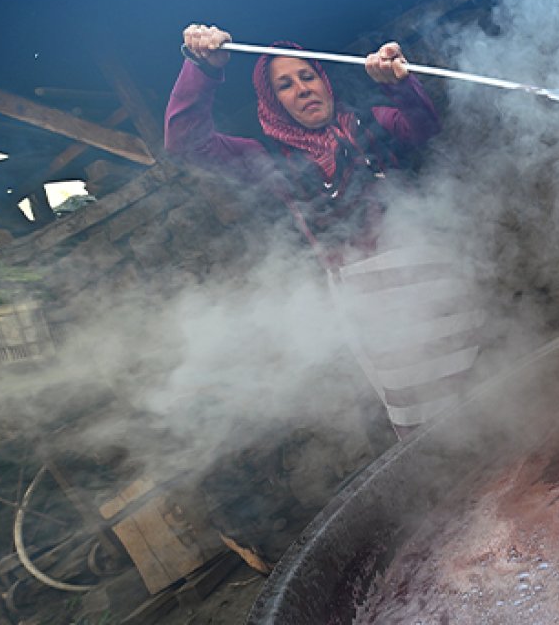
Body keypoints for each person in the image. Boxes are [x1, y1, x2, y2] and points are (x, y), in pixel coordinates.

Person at [166, 24, 484, 440]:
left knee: (483, 394)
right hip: (371, 306)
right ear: (273, 102)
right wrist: (201, 68)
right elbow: (186, 144)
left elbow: (424, 125)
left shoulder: (377, 122)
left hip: (432, 276)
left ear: (324, 79)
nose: (301, 88)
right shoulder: (267, 159)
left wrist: (399, 85)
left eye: (307, 76)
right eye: (284, 85)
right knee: (426, 421)